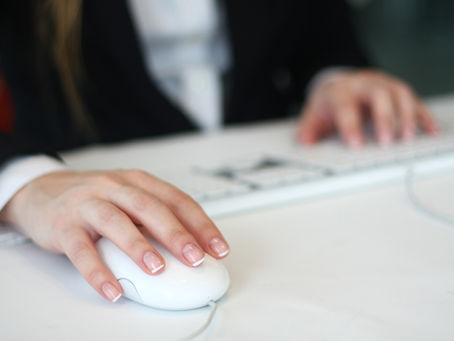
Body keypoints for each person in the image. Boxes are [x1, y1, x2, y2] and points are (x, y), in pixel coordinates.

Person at [0, 0, 437, 303]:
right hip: (82, 180)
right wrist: (24, 181)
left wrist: (336, 78)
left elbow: (323, 37)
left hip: (283, 173)